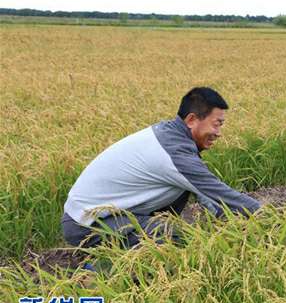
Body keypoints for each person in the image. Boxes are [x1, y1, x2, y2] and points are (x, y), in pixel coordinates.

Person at [61, 86, 261, 249]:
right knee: (178, 237)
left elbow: (205, 193)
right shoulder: (174, 151)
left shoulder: (172, 136)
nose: (218, 133)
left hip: (108, 215)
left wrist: (230, 222)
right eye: (216, 124)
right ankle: (97, 272)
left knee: (181, 203)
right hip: (86, 224)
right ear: (192, 120)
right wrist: (267, 217)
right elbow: (218, 192)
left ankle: (131, 245)